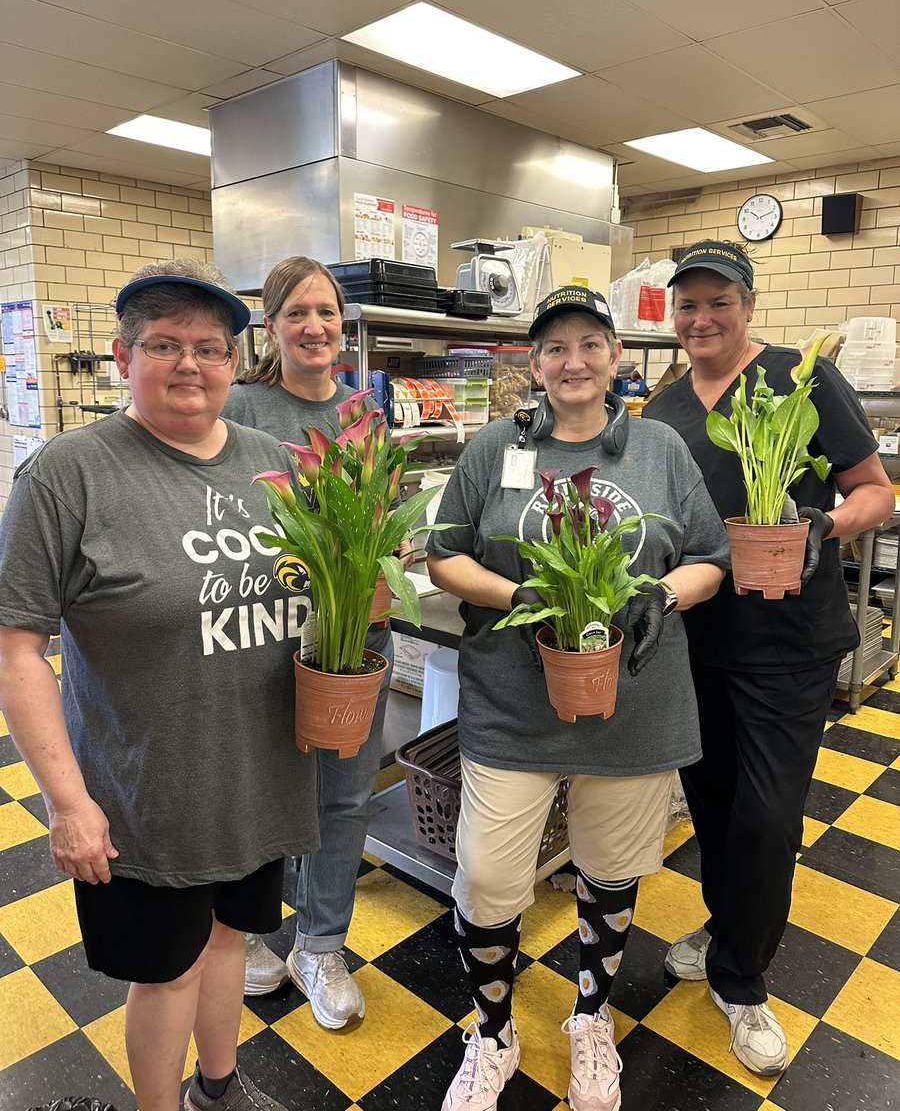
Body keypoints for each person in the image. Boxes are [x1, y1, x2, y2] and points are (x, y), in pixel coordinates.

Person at [0, 259, 319, 1111]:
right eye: (164, 345)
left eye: (211, 348)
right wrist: (69, 804)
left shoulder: (274, 463)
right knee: (166, 973)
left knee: (225, 949)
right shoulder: (68, 474)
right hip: (147, 791)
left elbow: (313, 592)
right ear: (121, 356)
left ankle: (221, 1088)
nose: (190, 365)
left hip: (257, 775)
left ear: (234, 361)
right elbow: (17, 650)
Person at [425, 285, 730, 1111]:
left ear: (616, 356)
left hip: (635, 705)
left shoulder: (661, 447)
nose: (574, 361)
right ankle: (491, 1031)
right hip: (512, 707)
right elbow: (442, 556)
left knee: (611, 873)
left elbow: (711, 554)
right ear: (535, 363)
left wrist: (663, 596)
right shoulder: (498, 447)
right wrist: (520, 599)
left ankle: (589, 1019)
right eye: (555, 348)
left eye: (590, 344)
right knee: (488, 879)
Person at [643, 239, 895, 1077]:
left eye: (719, 301)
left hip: (787, 645)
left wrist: (822, 525)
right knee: (712, 807)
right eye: (688, 304)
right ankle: (725, 927)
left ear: (748, 304)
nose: (702, 318)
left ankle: (743, 984)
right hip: (697, 642)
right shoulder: (666, 409)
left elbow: (874, 489)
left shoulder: (800, 378)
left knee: (767, 817)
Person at [224, 255, 408, 1029]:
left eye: (326, 312)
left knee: (343, 795)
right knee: (262, 787)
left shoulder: (364, 412)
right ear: (269, 326)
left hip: (354, 636)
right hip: (263, 636)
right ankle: (253, 934)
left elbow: (383, 523)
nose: (314, 326)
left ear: (344, 323)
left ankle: (321, 943)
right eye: (296, 313)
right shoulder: (239, 408)